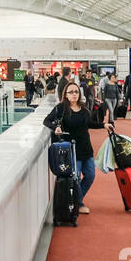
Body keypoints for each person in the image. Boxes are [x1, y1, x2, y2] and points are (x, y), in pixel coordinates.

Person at [44, 80, 105, 214]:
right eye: (71, 92)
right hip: (71, 149)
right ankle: (78, 203)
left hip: (86, 148)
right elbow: (46, 121)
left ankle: (75, 199)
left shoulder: (83, 109)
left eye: (76, 92)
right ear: (65, 94)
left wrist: (104, 125)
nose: (74, 94)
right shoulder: (61, 108)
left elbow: (89, 124)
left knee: (90, 175)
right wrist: (56, 127)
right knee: (75, 177)